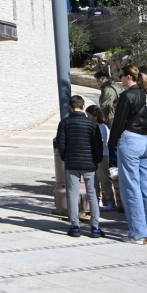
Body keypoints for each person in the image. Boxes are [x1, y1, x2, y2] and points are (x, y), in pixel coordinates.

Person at [108, 65, 147, 244]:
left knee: (131, 187)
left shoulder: (127, 96)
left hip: (131, 140)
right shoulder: (146, 95)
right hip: (146, 141)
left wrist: (112, 143)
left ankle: (137, 233)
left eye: (121, 76)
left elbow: (119, 122)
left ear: (129, 77)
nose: (120, 80)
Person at [54, 95, 104, 238]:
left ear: (70, 107)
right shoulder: (92, 124)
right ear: (83, 106)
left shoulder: (64, 123)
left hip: (72, 163)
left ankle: (75, 226)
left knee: (72, 193)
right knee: (92, 194)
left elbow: (61, 144)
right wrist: (97, 159)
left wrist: (65, 158)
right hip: (89, 163)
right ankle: (95, 227)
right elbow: (98, 144)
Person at [85, 105, 116, 211]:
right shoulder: (91, 126)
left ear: (95, 116)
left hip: (102, 155)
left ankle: (110, 201)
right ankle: (97, 200)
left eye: (89, 116)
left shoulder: (102, 127)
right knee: (94, 180)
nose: (87, 118)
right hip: (93, 155)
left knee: (104, 179)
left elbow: (102, 142)